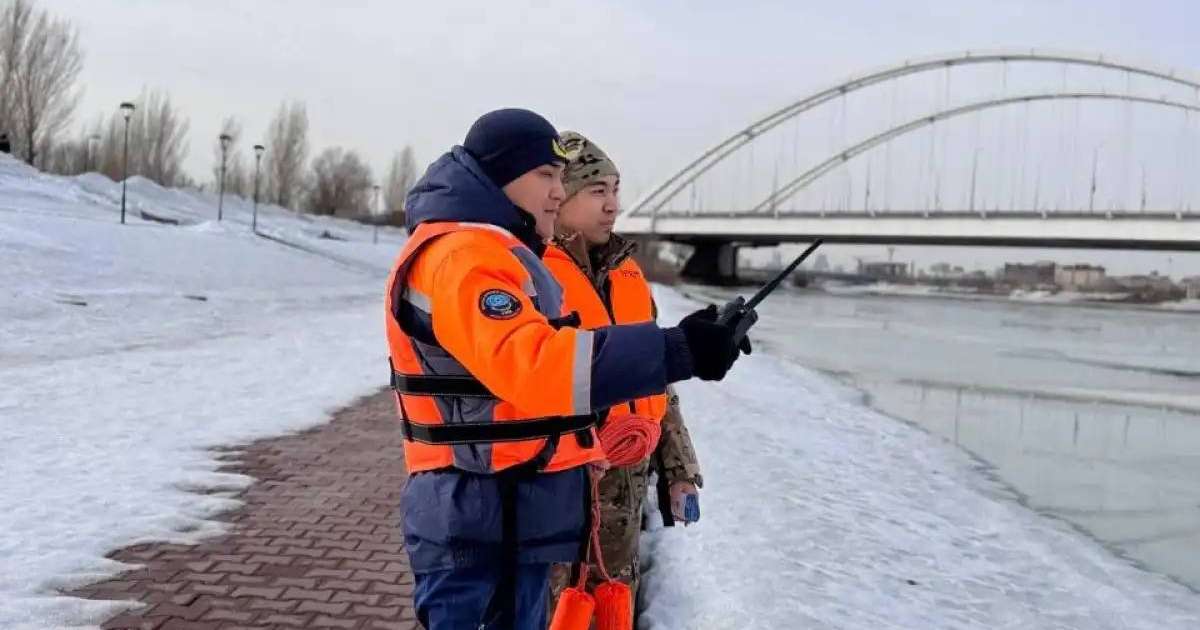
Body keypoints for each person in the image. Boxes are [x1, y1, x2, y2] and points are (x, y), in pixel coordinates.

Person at [386, 108, 747, 629]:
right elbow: (539, 365)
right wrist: (678, 349)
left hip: (513, 511)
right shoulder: (465, 257)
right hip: (481, 516)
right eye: (546, 176)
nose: (557, 192)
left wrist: (598, 453)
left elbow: (522, 385)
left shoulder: (503, 253)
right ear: (500, 175)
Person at [544, 132, 703, 615]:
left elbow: (658, 379)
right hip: (561, 498)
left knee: (614, 609)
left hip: (626, 501)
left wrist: (679, 471)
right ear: (562, 195)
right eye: (598, 191)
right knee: (555, 611)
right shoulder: (533, 277)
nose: (613, 205)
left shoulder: (627, 276)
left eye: (616, 189)